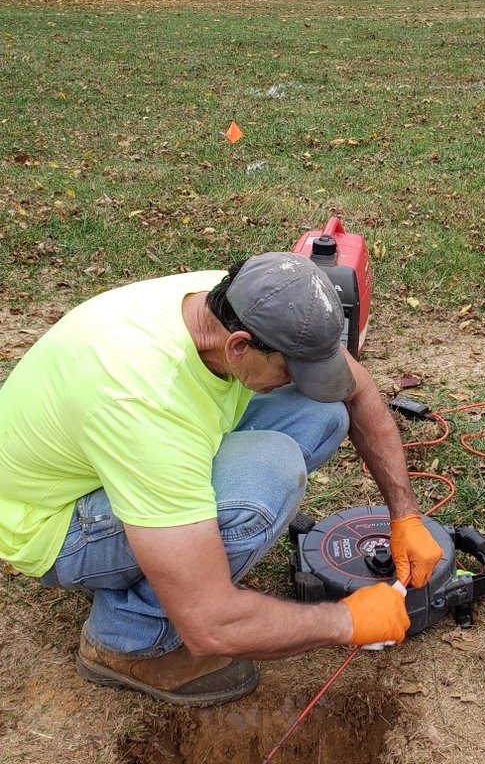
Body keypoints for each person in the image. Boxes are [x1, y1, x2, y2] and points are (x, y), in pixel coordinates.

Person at [0, 252, 443, 705]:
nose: (298, 381)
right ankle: (127, 641)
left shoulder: (230, 298)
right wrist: (348, 620)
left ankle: (176, 557)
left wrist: (404, 515)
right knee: (265, 479)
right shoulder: (143, 402)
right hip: (52, 526)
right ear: (239, 346)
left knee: (323, 411)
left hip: (118, 459)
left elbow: (356, 388)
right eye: (290, 370)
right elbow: (209, 621)